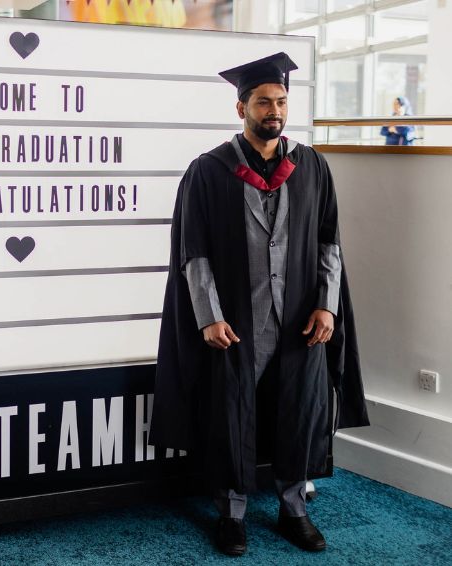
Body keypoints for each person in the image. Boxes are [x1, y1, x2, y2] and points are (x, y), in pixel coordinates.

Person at [150, 52, 370, 556]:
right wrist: (209, 316)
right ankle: (231, 513)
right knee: (232, 414)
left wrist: (327, 305)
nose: (274, 110)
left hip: (299, 316)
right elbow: (193, 250)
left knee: (299, 411)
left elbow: (328, 242)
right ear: (241, 107)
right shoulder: (208, 171)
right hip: (236, 321)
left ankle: (294, 509)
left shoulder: (311, 165)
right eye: (264, 101)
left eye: (282, 101)